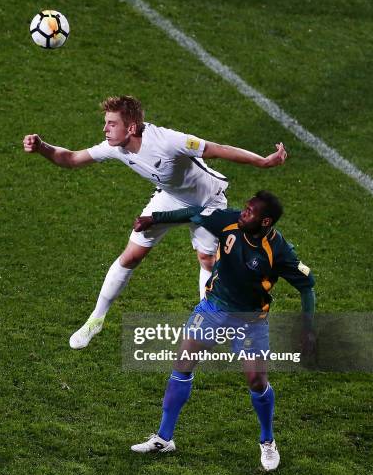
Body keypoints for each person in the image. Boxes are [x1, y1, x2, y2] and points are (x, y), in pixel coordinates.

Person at [23, 96, 287, 350]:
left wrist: (262, 162)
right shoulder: (115, 147)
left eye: (111, 123)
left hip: (208, 201)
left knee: (207, 260)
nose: (105, 129)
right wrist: (42, 147)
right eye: (106, 122)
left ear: (132, 127)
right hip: (170, 199)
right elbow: (70, 159)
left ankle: (208, 326)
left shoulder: (168, 141)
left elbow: (218, 150)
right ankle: (96, 319)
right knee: (131, 256)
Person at [130, 190, 316, 471]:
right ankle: (164, 438)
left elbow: (307, 285)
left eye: (251, 212)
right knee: (182, 365)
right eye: (246, 207)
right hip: (213, 309)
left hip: (250, 321)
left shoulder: (279, 252)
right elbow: (193, 213)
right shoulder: (229, 222)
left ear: (265, 222)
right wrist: (154, 218)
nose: (244, 212)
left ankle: (267, 441)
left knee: (256, 380)